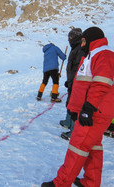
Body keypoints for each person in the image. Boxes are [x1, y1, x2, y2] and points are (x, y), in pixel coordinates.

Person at [42, 26, 114, 187]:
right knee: (93, 147)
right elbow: (82, 85)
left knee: (78, 146)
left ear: (91, 39)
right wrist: (75, 110)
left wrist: (88, 108)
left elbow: (102, 83)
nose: (82, 44)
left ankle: (61, 183)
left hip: (95, 111)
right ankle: (91, 182)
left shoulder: (104, 53)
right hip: (90, 110)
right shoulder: (91, 54)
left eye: (83, 41)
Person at [60, 28, 86, 140]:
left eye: (70, 37)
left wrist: (74, 81)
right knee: (70, 101)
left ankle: (73, 132)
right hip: (73, 81)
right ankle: (68, 122)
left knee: (74, 104)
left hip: (77, 82)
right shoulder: (75, 47)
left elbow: (78, 68)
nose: (69, 39)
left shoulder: (80, 49)